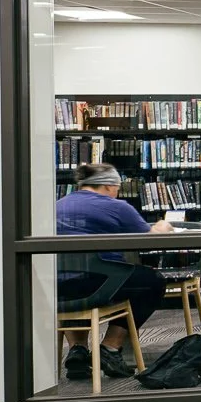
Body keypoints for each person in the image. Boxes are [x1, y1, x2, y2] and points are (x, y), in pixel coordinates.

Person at [54, 161, 173, 380]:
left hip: (58, 288)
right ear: (109, 186)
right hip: (100, 284)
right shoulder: (117, 207)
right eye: (117, 187)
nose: (117, 192)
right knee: (152, 281)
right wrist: (163, 226)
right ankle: (110, 347)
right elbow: (151, 240)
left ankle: (78, 349)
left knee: (74, 283)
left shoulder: (57, 205)